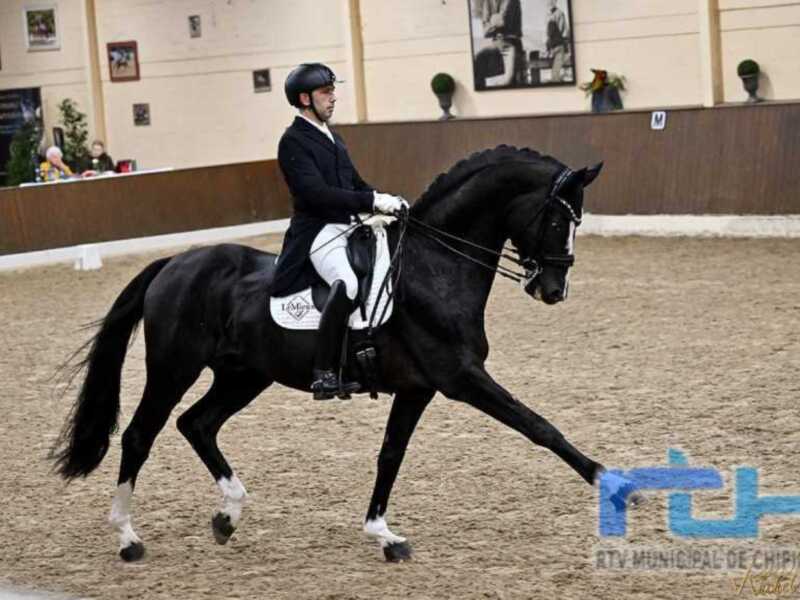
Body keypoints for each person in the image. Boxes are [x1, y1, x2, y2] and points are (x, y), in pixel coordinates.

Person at [271, 63, 407, 400]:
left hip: (347, 225)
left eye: (333, 91)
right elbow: (314, 194)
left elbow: (354, 183)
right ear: (305, 99)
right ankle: (324, 372)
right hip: (317, 230)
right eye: (325, 93)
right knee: (345, 283)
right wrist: (370, 200)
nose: (333, 98)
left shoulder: (333, 136)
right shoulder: (292, 141)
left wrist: (384, 201)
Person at [480, 0, 524, 87]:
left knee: (509, 82)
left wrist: (493, 21)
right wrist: (494, 22)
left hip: (510, 44)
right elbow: (485, 29)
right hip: (496, 44)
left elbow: (503, 21)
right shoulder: (488, 2)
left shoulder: (512, 1)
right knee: (493, 83)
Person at [546, 0, 569, 83]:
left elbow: (563, 32)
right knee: (554, 74)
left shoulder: (559, 14)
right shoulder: (549, 15)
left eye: (552, 1)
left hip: (558, 45)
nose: (549, 3)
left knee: (555, 76)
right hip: (553, 47)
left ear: (555, 2)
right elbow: (549, 34)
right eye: (548, 1)